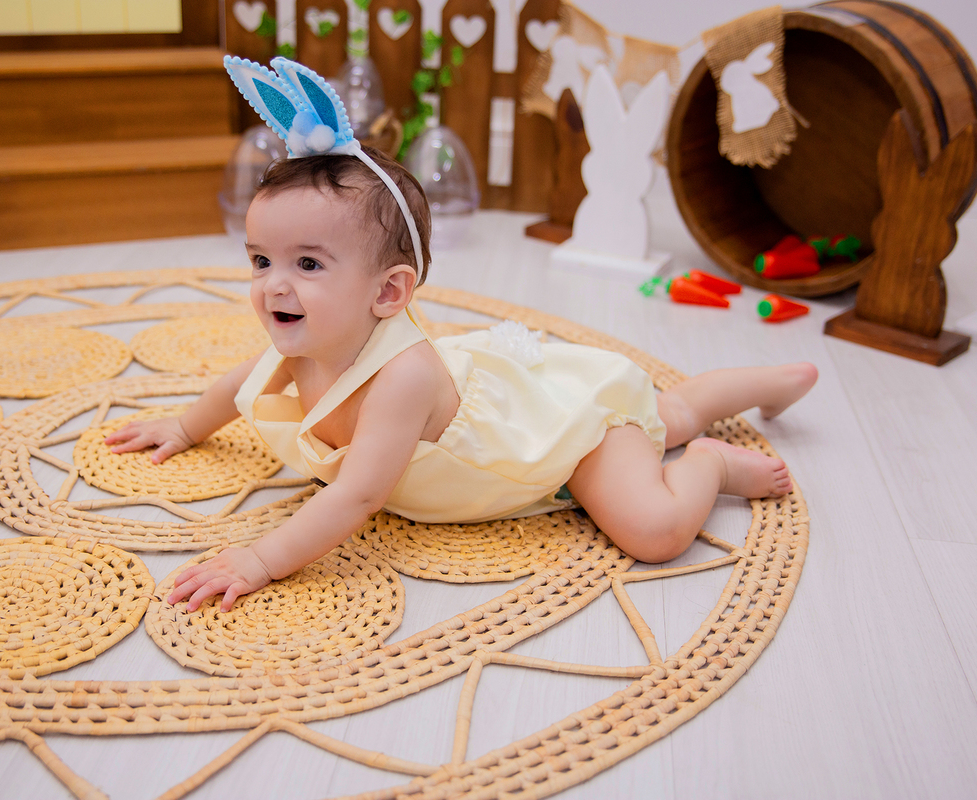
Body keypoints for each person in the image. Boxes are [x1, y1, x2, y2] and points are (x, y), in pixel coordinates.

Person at [105, 57, 818, 613]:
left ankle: (711, 467)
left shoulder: (403, 378)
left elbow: (356, 497)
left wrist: (259, 559)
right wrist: (184, 425)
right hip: (513, 407)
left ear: (389, 292)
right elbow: (242, 382)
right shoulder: (306, 341)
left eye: (308, 264)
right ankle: (764, 386)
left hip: (562, 447)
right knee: (666, 413)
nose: (273, 285)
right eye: (262, 261)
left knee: (655, 518)